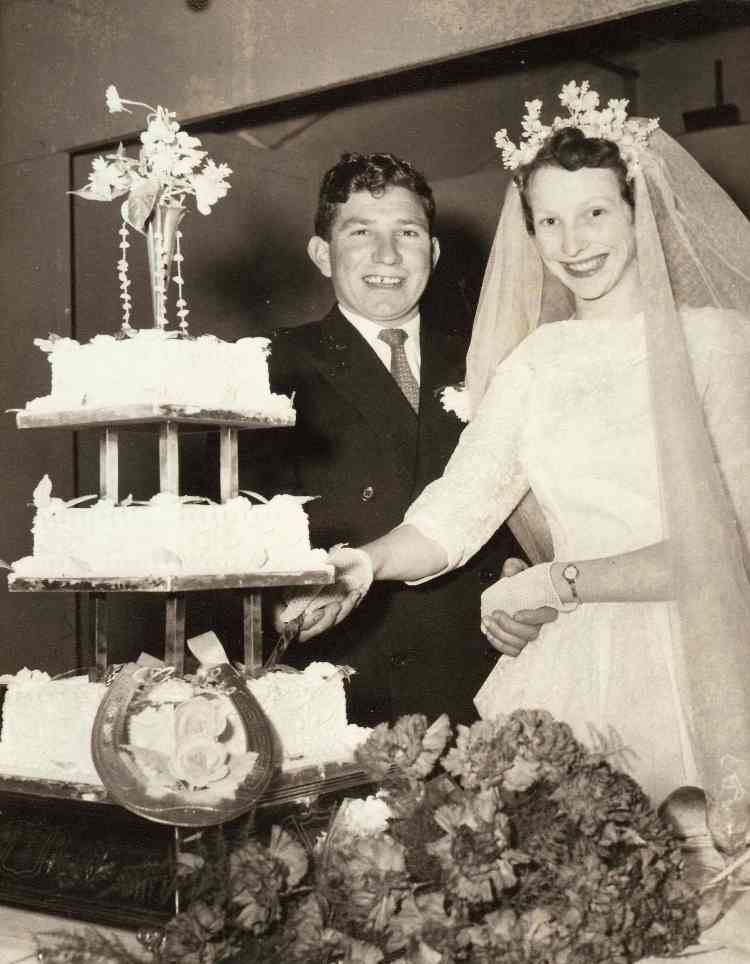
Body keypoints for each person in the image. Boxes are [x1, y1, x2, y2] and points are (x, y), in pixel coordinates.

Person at [300, 86, 750, 813]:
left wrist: (555, 582)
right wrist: (366, 562)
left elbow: (723, 546)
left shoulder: (720, 344)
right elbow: (457, 508)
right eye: (550, 221)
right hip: (578, 658)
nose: (573, 245)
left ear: (639, 211)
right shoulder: (533, 362)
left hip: (708, 651)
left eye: (595, 213)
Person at [249, 152, 554, 727]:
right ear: (322, 253)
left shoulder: (494, 354)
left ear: (433, 253)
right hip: (356, 680)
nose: (387, 255)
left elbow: (538, 500)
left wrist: (529, 574)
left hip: (492, 666)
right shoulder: (268, 367)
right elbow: (236, 544)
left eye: (407, 233)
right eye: (360, 232)